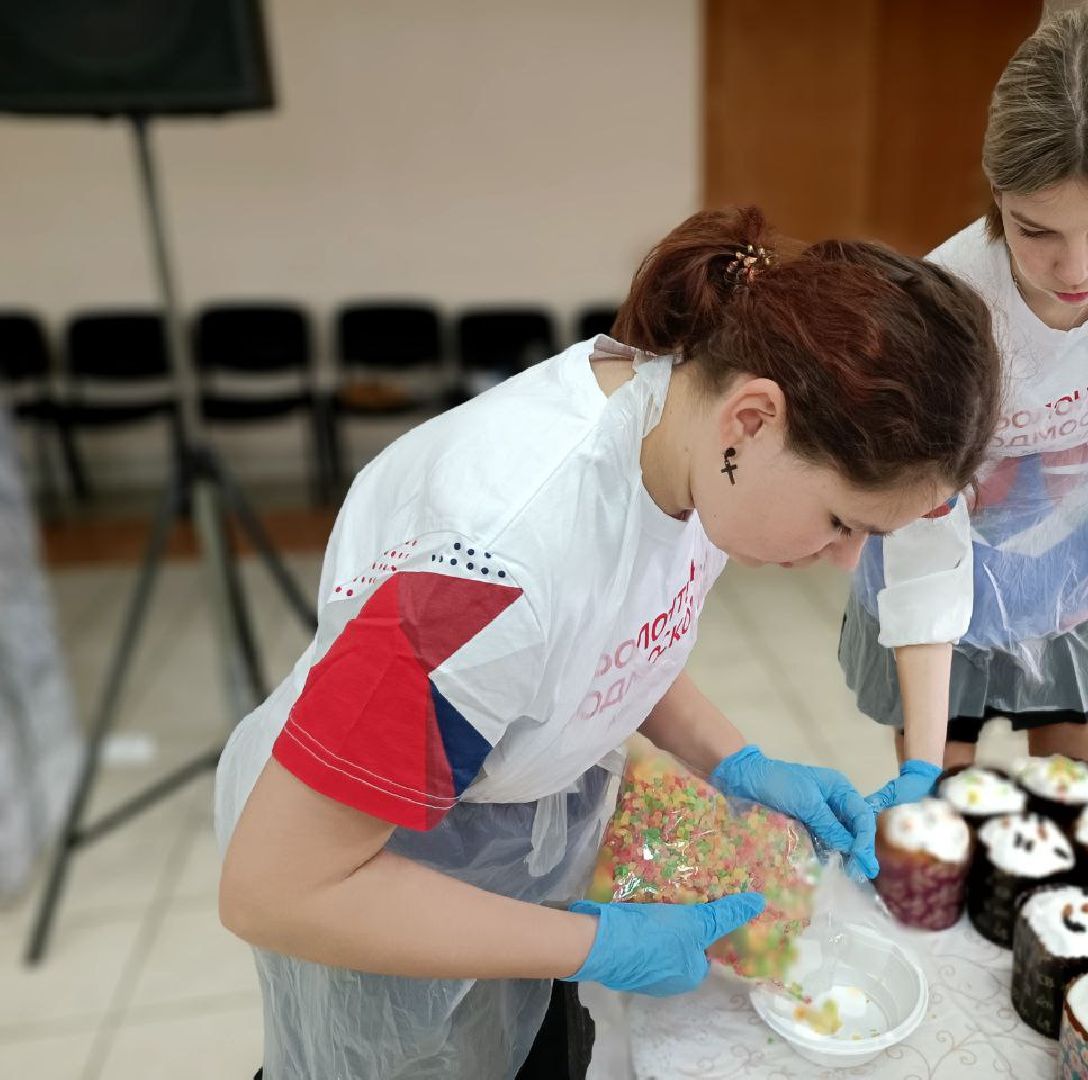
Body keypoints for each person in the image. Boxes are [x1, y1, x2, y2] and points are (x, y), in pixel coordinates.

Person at [215, 204, 1002, 1078]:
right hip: (370, 858)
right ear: (754, 419)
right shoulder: (486, 570)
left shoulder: (687, 429)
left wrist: (737, 761)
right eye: (840, 522)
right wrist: (589, 941)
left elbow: (601, 628)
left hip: (500, 818)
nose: (842, 560)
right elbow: (276, 888)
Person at [851, 2, 1088, 809]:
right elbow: (924, 542)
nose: (1077, 266)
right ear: (996, 192)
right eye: (1034, 230)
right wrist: (922, 769)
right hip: (947, 542)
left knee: (1077, 805)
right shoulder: (948, 307)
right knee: (946, 815)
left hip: (1074, 544)